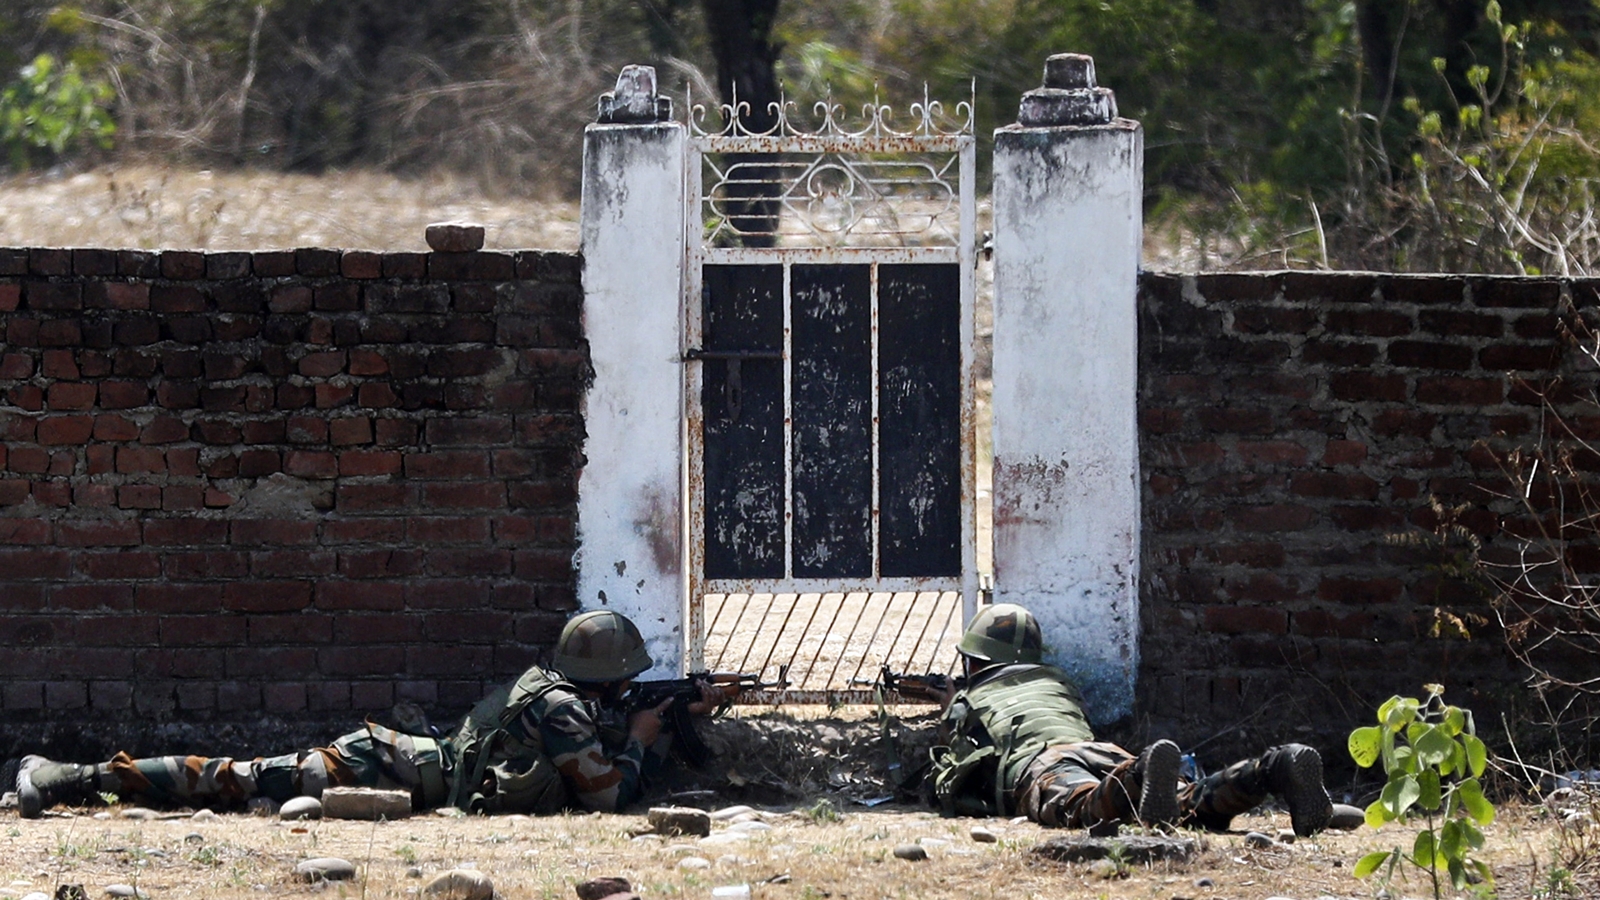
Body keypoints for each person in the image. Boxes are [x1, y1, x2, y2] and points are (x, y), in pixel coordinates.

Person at [14, 610, 729, 818]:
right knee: (236, 778)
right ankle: (70, 779)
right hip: (382, 762)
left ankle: (77, 778)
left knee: (238, 779)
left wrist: (666, 718)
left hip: (404, 763)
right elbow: (606, 794)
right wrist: (642, 738)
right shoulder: (566, 709)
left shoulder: (558, 691)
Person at [926, 603, 1333, 837]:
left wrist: (949, 711)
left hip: (1043, 763)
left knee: (1082, 807)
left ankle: (1139, 774)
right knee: (1185, 804)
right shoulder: (1055, 679)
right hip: (1101, 750)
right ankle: (1270, 768)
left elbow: (953, 760)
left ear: (974, 659)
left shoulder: (969, 699)